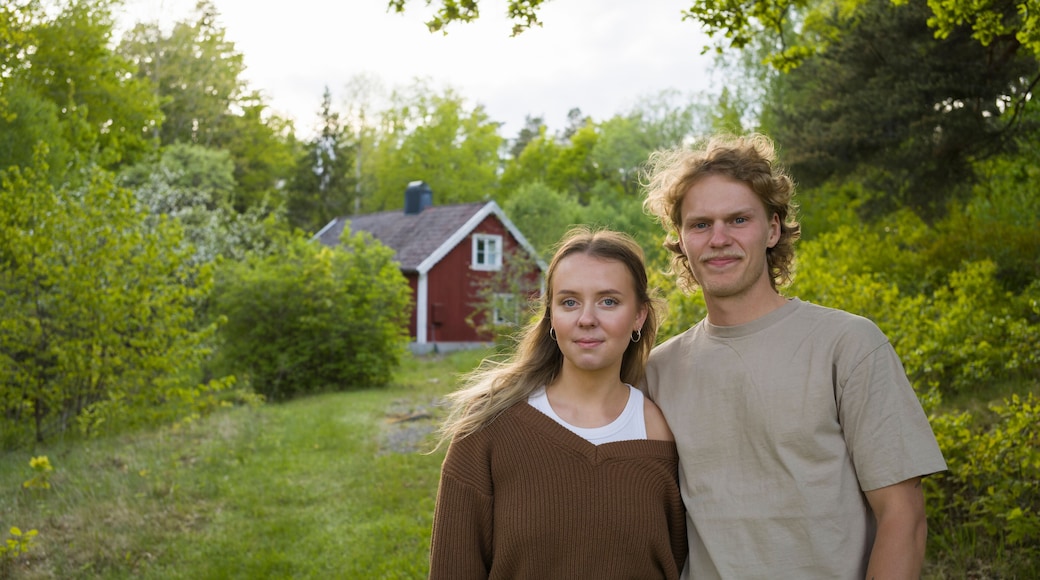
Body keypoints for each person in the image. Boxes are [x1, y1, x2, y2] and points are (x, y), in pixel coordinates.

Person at [640, 133, 947, 579]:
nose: (718, 238)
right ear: (681, 241)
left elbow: (904, 517)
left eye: (739, 219)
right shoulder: (658, 371)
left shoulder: (848, 344)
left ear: (773, 228)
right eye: (700, 224)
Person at [428, 226, 688, 579]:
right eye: (569, 302)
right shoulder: (490, 427)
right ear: (551, 315)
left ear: (639, 316)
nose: (586, 319)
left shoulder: (664, 432)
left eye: (608, 301)